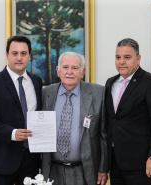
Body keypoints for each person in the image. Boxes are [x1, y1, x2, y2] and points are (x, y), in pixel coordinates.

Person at [104, 38, 151, 185]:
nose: (121, 61)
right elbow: (111, 121)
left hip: (142, 165)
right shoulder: (110, 83)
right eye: (118, 57)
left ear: (138, 59)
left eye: (127, 57)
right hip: (115, 164)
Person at [0, 36, 42, 185]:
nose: (19, 58)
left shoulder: (37, 81)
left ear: (29, 56)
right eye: (14, 53)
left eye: (23, 53)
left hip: (30, 161)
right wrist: (13, 133)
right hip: (1, 160)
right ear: (7, 55)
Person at [42, 51, 108, 185]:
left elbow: (104, 135)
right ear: (58, 70)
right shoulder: (45, 93)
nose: (69, 72)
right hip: (52, 170)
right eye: (65, 67)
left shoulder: (99, 93)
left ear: (83, 72)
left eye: (75, 68)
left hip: (85, 171)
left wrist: (103, 168)